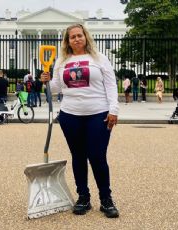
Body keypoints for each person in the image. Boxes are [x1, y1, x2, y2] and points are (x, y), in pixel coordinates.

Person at [40, 24, 119, 218]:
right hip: (70, 115)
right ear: (67, 41)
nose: (76, 39)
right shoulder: (61, 61)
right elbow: (56, 88)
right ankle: (83, 197)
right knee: (78, 156)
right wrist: (46, 81)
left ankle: (106, 199)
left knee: (98, 157)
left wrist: (114, 110)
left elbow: (111, 85)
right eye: (72, 37)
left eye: (79, 35)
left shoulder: (99, 59)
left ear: (86, 37)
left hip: (98, 114)